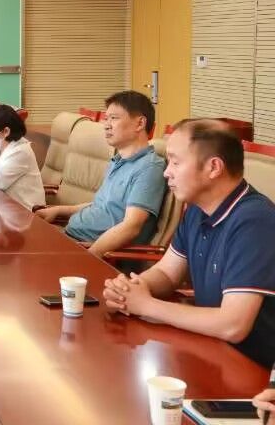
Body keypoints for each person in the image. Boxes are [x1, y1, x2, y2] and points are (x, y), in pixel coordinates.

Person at [103, 119, 275, 368]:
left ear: (213, 167)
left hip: (256, 372)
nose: (166, 172)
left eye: (175, 162)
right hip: (212, 352)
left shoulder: (255, 221)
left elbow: (233, 325)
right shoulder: (197, 210)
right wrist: (131, 289)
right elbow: (167, 273)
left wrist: (148, 305)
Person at [35, 91, 166, 257]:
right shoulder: (118, 161)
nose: (106, 125)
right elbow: (101, 206)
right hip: (71, 237)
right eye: (106, 118)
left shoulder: (149, 168)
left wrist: (90, 256)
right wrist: (59, 210)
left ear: (140, 123)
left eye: (114, 118)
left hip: (87, 249)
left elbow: (131, 227)